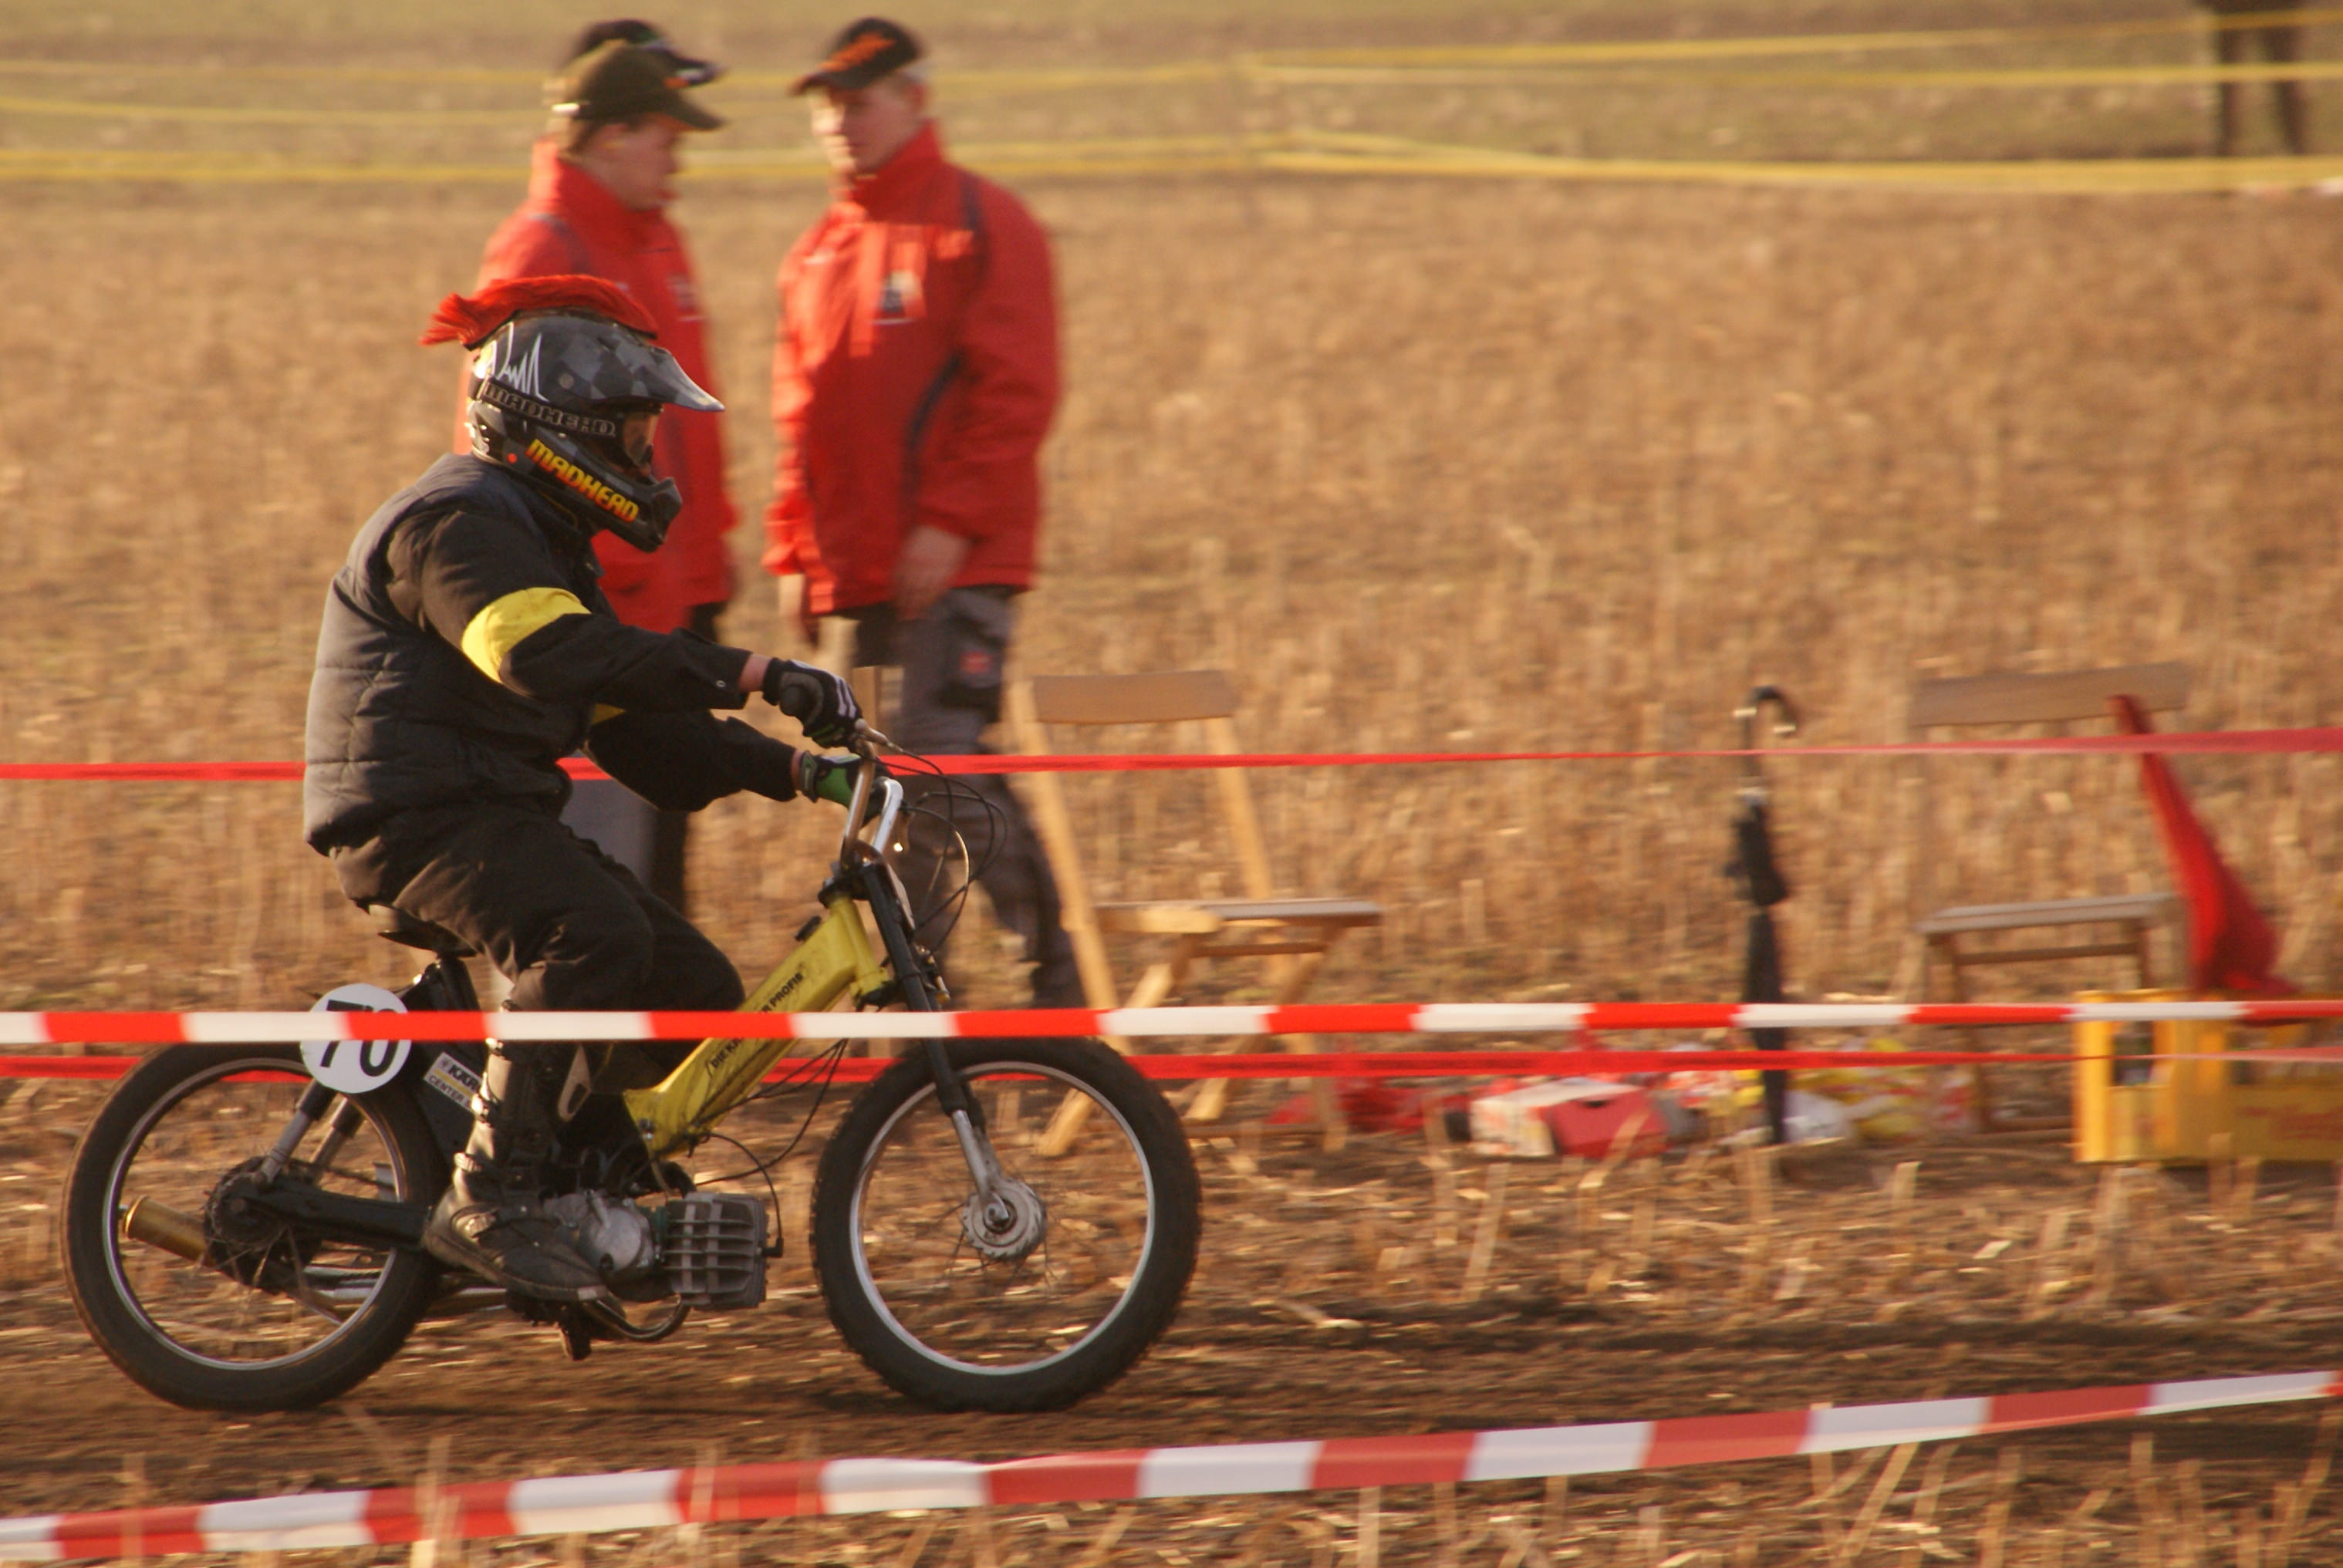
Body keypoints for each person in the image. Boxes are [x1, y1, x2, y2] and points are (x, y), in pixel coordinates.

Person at [305, 275, 860, 1303]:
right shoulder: (458, 522)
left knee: (691, 989)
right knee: (589, 933)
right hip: (413, 817)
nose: (648, 462)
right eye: (635, 437)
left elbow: (646, 740)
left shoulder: (539, 542)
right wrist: (751, 670)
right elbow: (542, 657)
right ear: (564, 432)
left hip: (486, 811)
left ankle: (575, 1187)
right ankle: (491, 1197)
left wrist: (801, 768)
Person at [764, 17, 1080, 1008]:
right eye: (827, 108)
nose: (839, 122)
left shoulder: (979, 224)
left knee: (947, 777)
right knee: (883, 799)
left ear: (914, 99)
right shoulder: (816, 251)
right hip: (853, 575)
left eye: (857, 102)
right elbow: (799, 420)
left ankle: (1059, 984)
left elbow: (1016, 391)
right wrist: (794, 553)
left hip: (957, 564)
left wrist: (949, 520)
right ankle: (918, 1008)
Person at [470, 31, 739, 911]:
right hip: (599, 620)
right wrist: (604, 594)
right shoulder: (545, 250)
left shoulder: (645, 243)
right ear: (613, 135)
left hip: (661, 611)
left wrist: (702, 581)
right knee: (591, 893)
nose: (677, 160)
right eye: (665, 136)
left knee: (656, 888)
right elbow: (509, 451)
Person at [2200, 0, 2311, 157]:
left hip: (2277, 8)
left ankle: (2298, 145)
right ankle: (2228, 146)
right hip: (2233, 7)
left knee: (2286, 76)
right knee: (2229, 79)